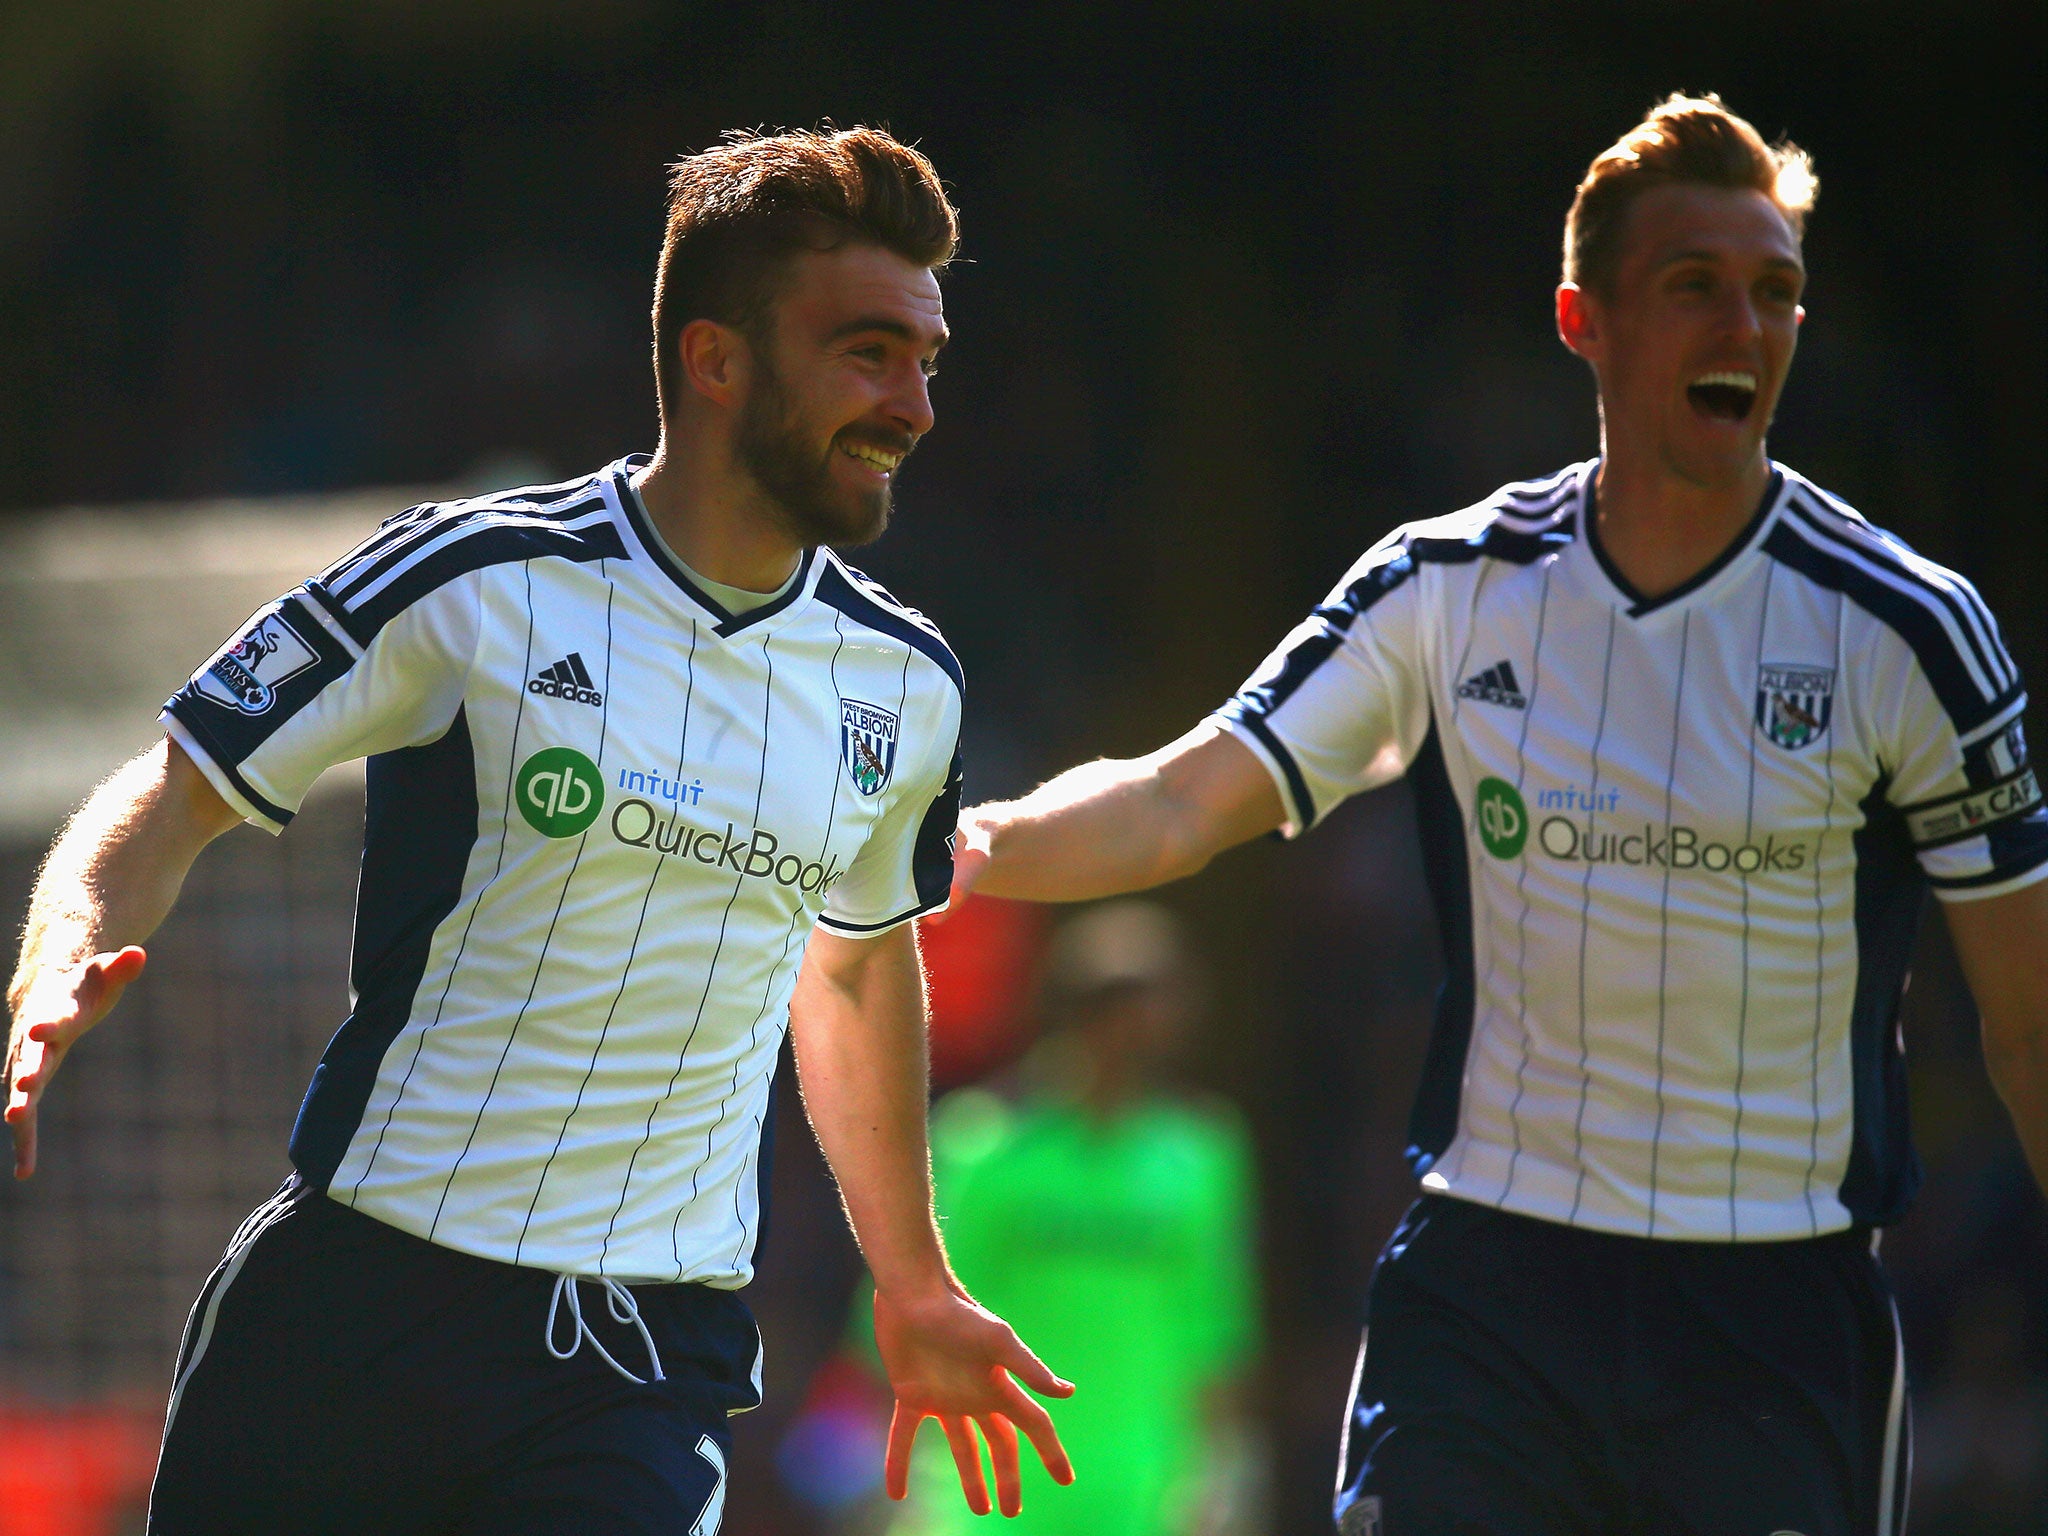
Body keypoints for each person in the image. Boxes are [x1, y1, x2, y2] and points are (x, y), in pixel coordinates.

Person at [949, 94, 2048, 1535]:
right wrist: (960, 845)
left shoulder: (1908, 630)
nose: (1748, 326)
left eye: (1778, 291)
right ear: (1583, 319)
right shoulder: (1448, 587)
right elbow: (1174, 802)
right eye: (1695, 287)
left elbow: (2029, 1020)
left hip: (1775, 1308)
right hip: (1494, 1291)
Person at [5, 125, 1072, 1534]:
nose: (915, 406)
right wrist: (60, 948)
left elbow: (861, 964)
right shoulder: (474, 582)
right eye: (869, 352)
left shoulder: (905, 684)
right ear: (716, 360)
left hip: (636, 1359)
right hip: (356, 1308)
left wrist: (916, 1280)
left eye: (925, 360)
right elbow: (179, 784)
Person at [887, 900, 1261, 1536]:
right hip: (984, 1497)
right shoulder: (981, 1147)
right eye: (1115, 1013)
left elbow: (1215, 1334)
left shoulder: (1204, 1156)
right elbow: (912, 1325)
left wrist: (1225, 1483)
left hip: (1146, 1495)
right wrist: (875, 1486)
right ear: (1073, 1016)